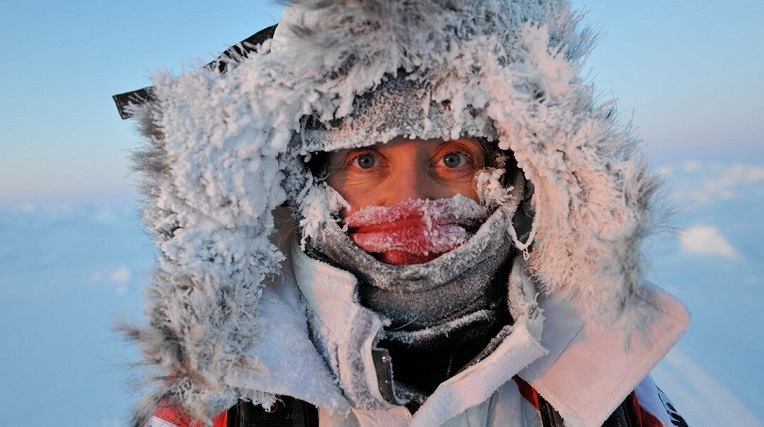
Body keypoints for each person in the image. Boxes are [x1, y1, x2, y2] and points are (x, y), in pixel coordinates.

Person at [114, 1, 690, 426]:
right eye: (367, 160)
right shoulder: (224, 392)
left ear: (511, 177)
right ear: (310, 184)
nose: (410, 199)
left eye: (453, 157)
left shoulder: (594, 375)